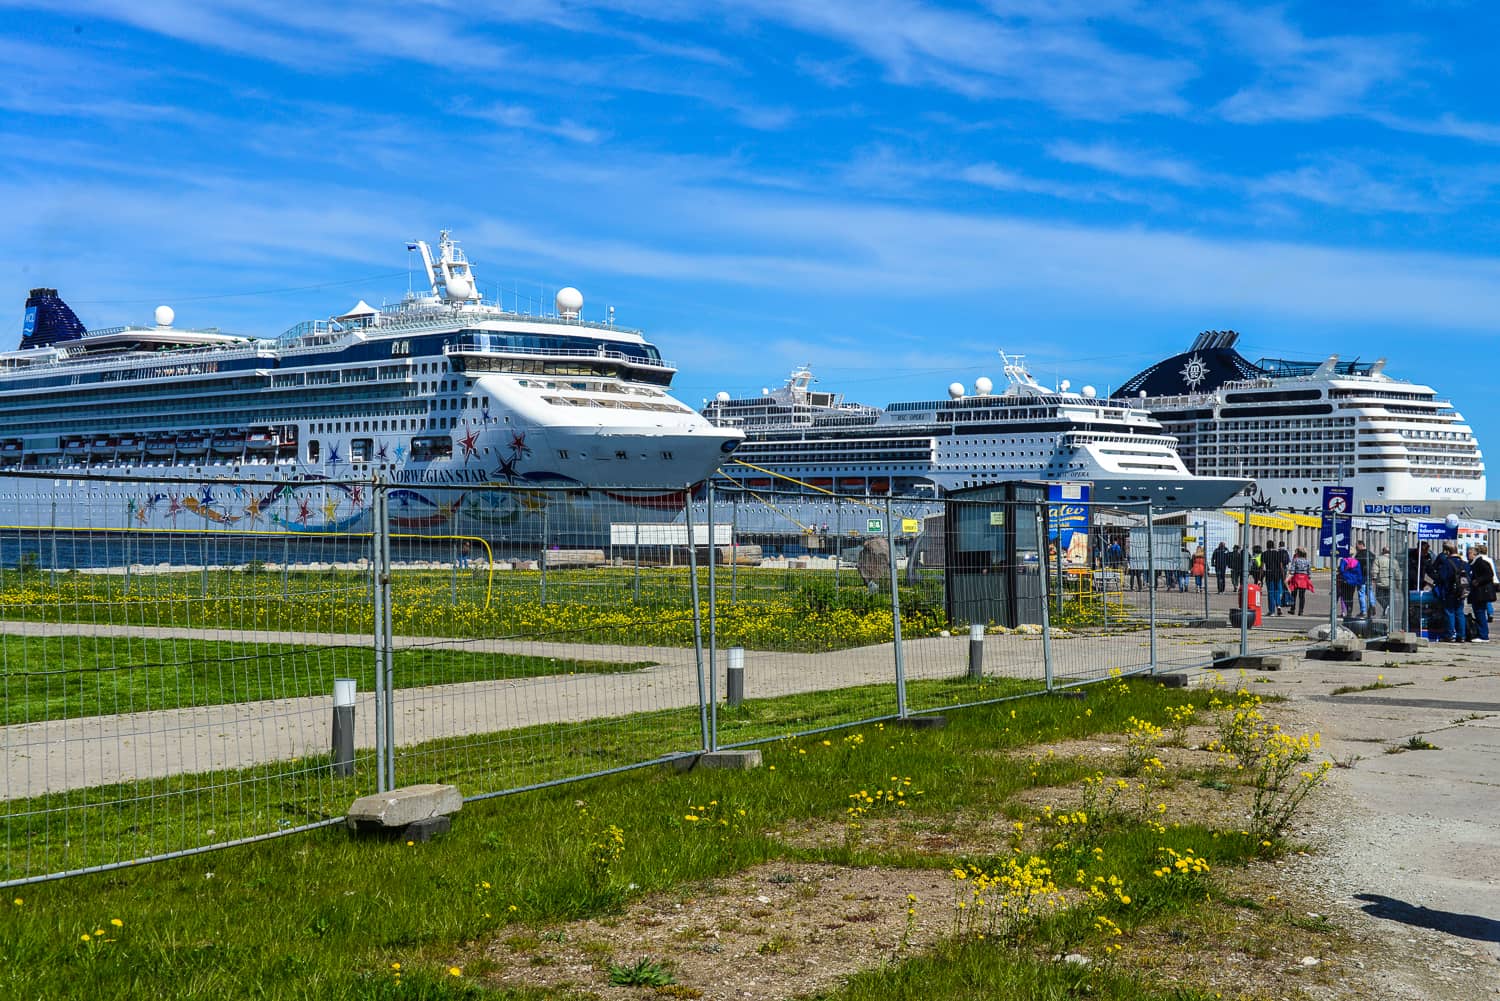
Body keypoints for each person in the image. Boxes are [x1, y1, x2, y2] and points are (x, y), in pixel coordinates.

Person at [1430, 541, 1470, 642]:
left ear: (1447, 551)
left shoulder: (1447, 563)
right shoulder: (1464, 563)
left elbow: (1442, 577)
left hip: (1449, 591)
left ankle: (1450, 635)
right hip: (1461, 591)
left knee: (1449, 612)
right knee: (1460, 612)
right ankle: (1462, 635)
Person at [1468, 544, 1495, 643]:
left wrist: (1478, 580)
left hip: (1481, 592)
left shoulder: (1480, 562)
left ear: (1475, 554)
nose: (1468, 555)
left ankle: (1483, 635)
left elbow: (1489, 574)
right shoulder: (1474, 563)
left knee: (1480, 613)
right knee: (1479, 612)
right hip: (1478, 592)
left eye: (1469, 553)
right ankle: (1482, 633)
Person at [1262, 539, 1288, 616]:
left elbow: (1262, 567)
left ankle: (1272, 611)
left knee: (1270, 592)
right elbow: (1281, 566)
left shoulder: (1264, 554)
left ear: (1267, 546)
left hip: (1269, 574)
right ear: (1273, 546)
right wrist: (1283, 577)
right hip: (1277, 575)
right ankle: (1279, 606)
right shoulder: (1278, 553)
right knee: (1277, 591)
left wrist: (1260, 578)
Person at [1286, 547, 1314, 615]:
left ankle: (1292, 609)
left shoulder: (1295, 560)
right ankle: (1301, 611)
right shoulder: (1308, 561)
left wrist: (1288, 578)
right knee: (1302, 596)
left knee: (1294, 595)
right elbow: (1309, 573)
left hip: (1296, 578)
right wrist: (1309, 578)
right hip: (1304, 579)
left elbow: (1292, 571)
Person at [1336, 550, 1363, 617]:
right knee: (1351, 597)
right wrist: (1359, 583)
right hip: (1353, 582)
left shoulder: (1343, 560)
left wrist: (1345, 575)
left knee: (1345, 597)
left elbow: (1342, 570)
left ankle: (1347, 608)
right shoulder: (1356, 562)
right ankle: (1349, 611)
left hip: (1345, 582)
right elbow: (1359, 573)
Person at [1371, 545, 1393, 619]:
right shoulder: (1393, 559)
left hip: (1381, 582)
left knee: (1379, 596)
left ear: (1383, 551)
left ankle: (1385, 607)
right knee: (1389, 597)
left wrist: (1374, 578)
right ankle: (1386, 609)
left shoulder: (1378, 559)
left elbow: (1375, 570)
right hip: (1391, 582)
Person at [1353, 540, 1373, 615]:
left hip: (1361, 577)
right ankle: (1372, 605)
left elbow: (1356, 566)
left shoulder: (1359, 555)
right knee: (1370, 591)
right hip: (1369, 576)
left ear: (1361, 545)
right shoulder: (1370, 554)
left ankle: (1363, 611)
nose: (1356, 547)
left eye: (1356, 546)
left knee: (1361, 593)